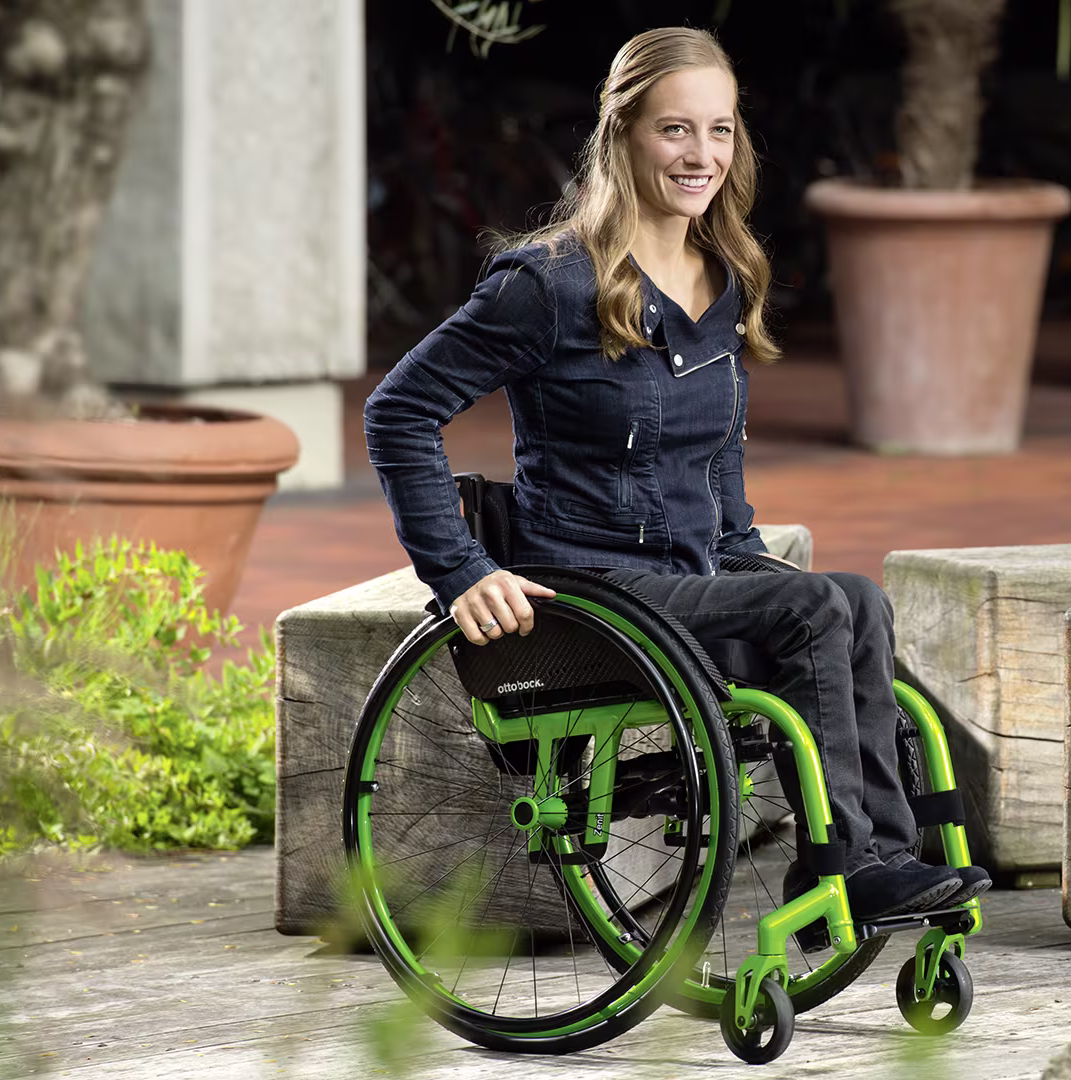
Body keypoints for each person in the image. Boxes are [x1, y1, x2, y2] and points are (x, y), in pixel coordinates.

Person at [363, 26, 989, 927]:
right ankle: (848, 866)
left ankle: (883, 858)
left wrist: (746, 559)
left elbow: (718, 458)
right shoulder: (548, 286)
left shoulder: (722, 276)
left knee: (856, 599)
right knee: (813, 607)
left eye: (720, 130)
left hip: (691, 573)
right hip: (591, 589)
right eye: (675, 130)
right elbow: (398, 410)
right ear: (622, 134)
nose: (702, 154)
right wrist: (461, 570)